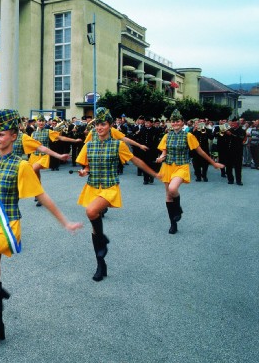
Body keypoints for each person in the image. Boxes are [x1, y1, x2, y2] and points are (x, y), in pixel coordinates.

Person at [0, 109, 82, 350]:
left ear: (14, 136)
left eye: (2, 134)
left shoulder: (22, 166)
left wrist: (65, 222)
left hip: (8, 227)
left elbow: (42, 197)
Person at [76, 108, 160, 281]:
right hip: (92, 186)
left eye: (103, 124)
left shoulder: (117, 144)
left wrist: (153, 173)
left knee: (91, 212)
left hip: (109, 187)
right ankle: (101, 264)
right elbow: (87, 165)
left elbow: (134, 160)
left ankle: (102, 239)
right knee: (94, 226)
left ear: (110, 126)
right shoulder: (89, 144)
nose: (99, 127)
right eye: (97, 124)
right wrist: (84, 171)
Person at [156, 109, 224, 234]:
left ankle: (178, 208)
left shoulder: (188, 136)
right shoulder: (166, 136)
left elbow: (200, 151)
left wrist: (213, 163)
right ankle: (173, 224)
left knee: (173, 189)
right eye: (173, 121)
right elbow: (164, 152)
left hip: (181, 166)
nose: (175, 123)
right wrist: (161, 157)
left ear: (182, 123)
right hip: (167, 166)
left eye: (178, 121)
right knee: (168, 196)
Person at [29, 114, 81, 205]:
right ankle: (38, 194)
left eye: (42, 121)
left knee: (34, 169)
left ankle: (40, 196)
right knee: (35, 176)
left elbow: (61, 138)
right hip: (34, 156)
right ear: (36, 122)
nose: (41, 123)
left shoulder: (48, 131)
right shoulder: (33, 133)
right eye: (39, 121)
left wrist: (74, 140)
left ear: (45, 123)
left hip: (44, 156)